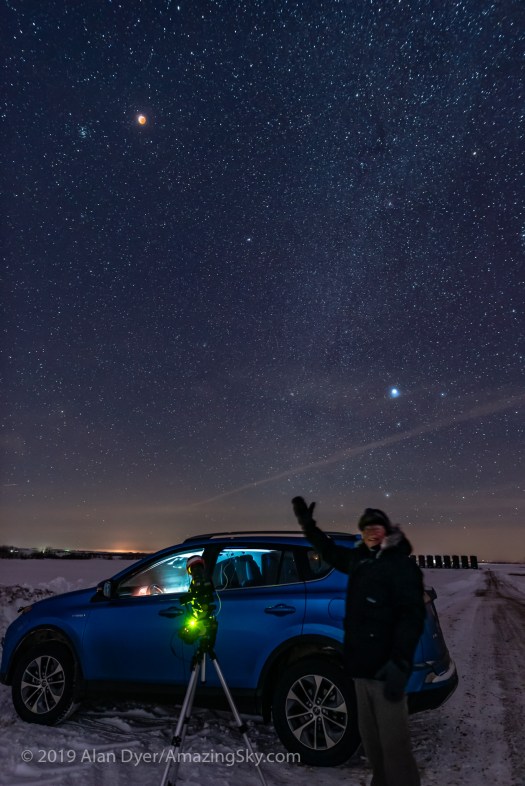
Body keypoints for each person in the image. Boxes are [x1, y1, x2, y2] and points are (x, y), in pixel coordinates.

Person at [292, 497, 425, 786]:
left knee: (395, 749)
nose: (372, 533)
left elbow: (411, 617)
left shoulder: (400, 565)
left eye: (377, 527)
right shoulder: (360, 560)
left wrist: (400, 662)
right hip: (361, 671)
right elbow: (327, 551)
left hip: (387, 669)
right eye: (366, 529)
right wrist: (308, 526)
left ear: (387, 531)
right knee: (373, 747)